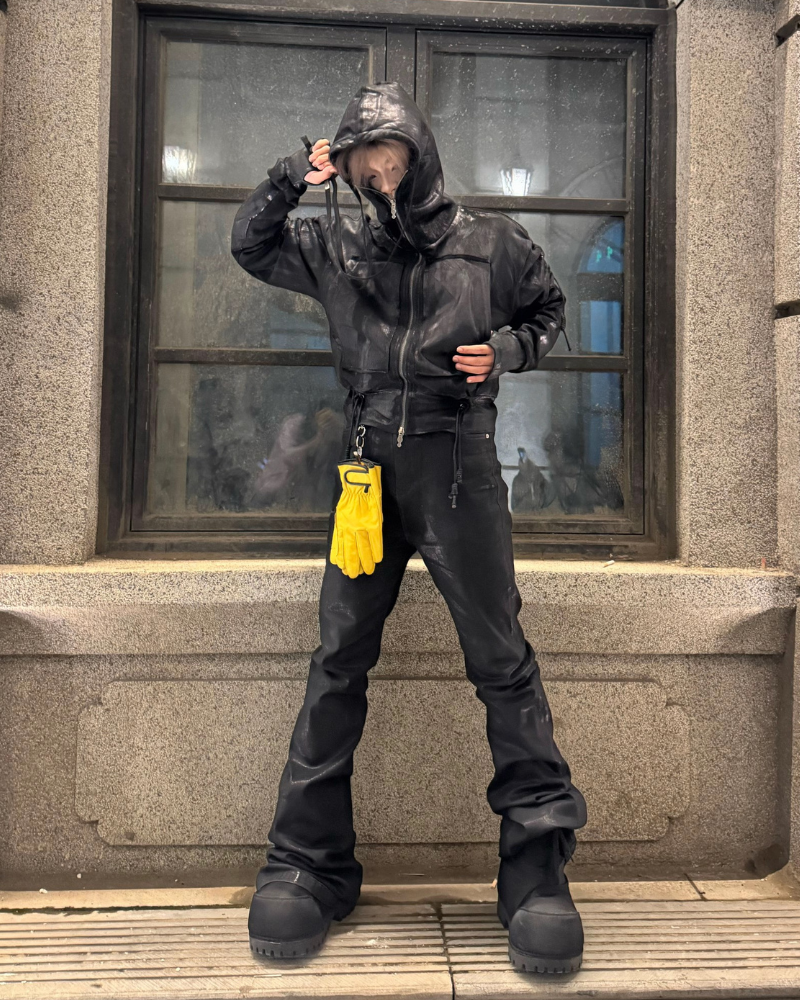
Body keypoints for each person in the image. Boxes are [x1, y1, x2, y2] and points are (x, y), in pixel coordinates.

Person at [231, 81, 588, 975]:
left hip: (459, 459)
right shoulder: (333, 240)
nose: (376, 176)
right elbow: (250, 244)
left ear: (419, 155)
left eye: (387, 158)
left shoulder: (491, 242)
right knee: (337, 658)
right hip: (365, 463)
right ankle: (307, 865)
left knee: (501, 659)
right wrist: (292, 176)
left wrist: (506, 350)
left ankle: (536, 873)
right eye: (361, 163)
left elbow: (551, 312)